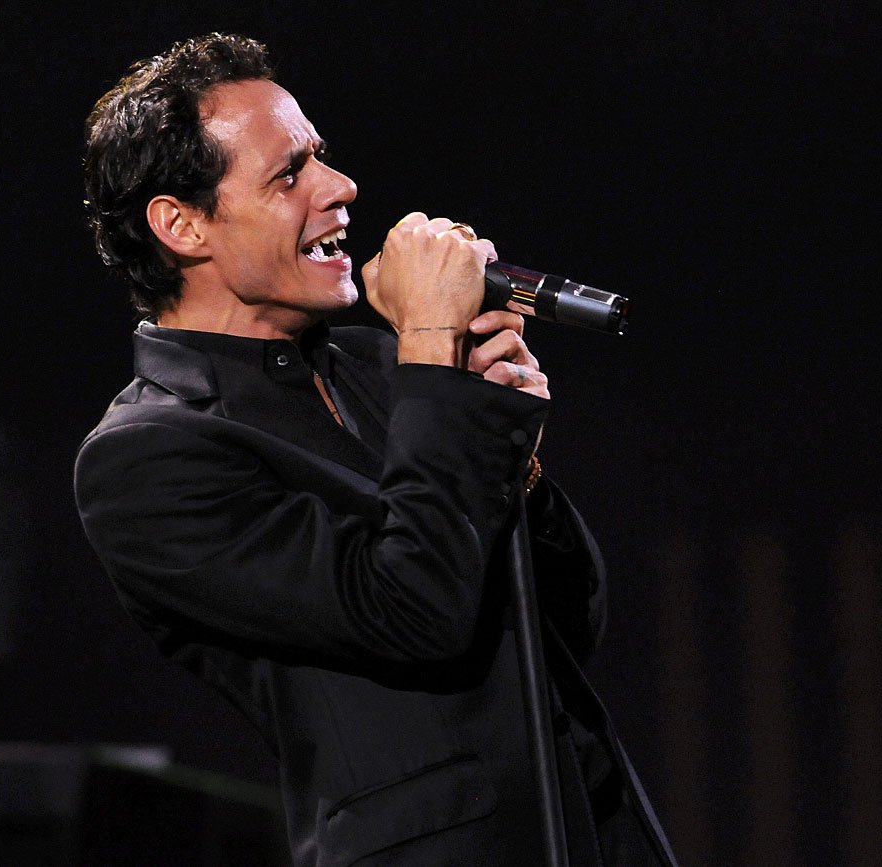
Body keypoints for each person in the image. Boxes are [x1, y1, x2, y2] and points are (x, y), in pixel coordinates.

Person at [73, 32, 676, 867]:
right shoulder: (147, 457)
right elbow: (411, 610)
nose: (341, 186)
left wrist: (518, 455)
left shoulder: (382, 367)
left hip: (595, 834)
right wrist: (429, 344)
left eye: (321, 157)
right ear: (182, 224)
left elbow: (570, 623)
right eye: (290, 174)